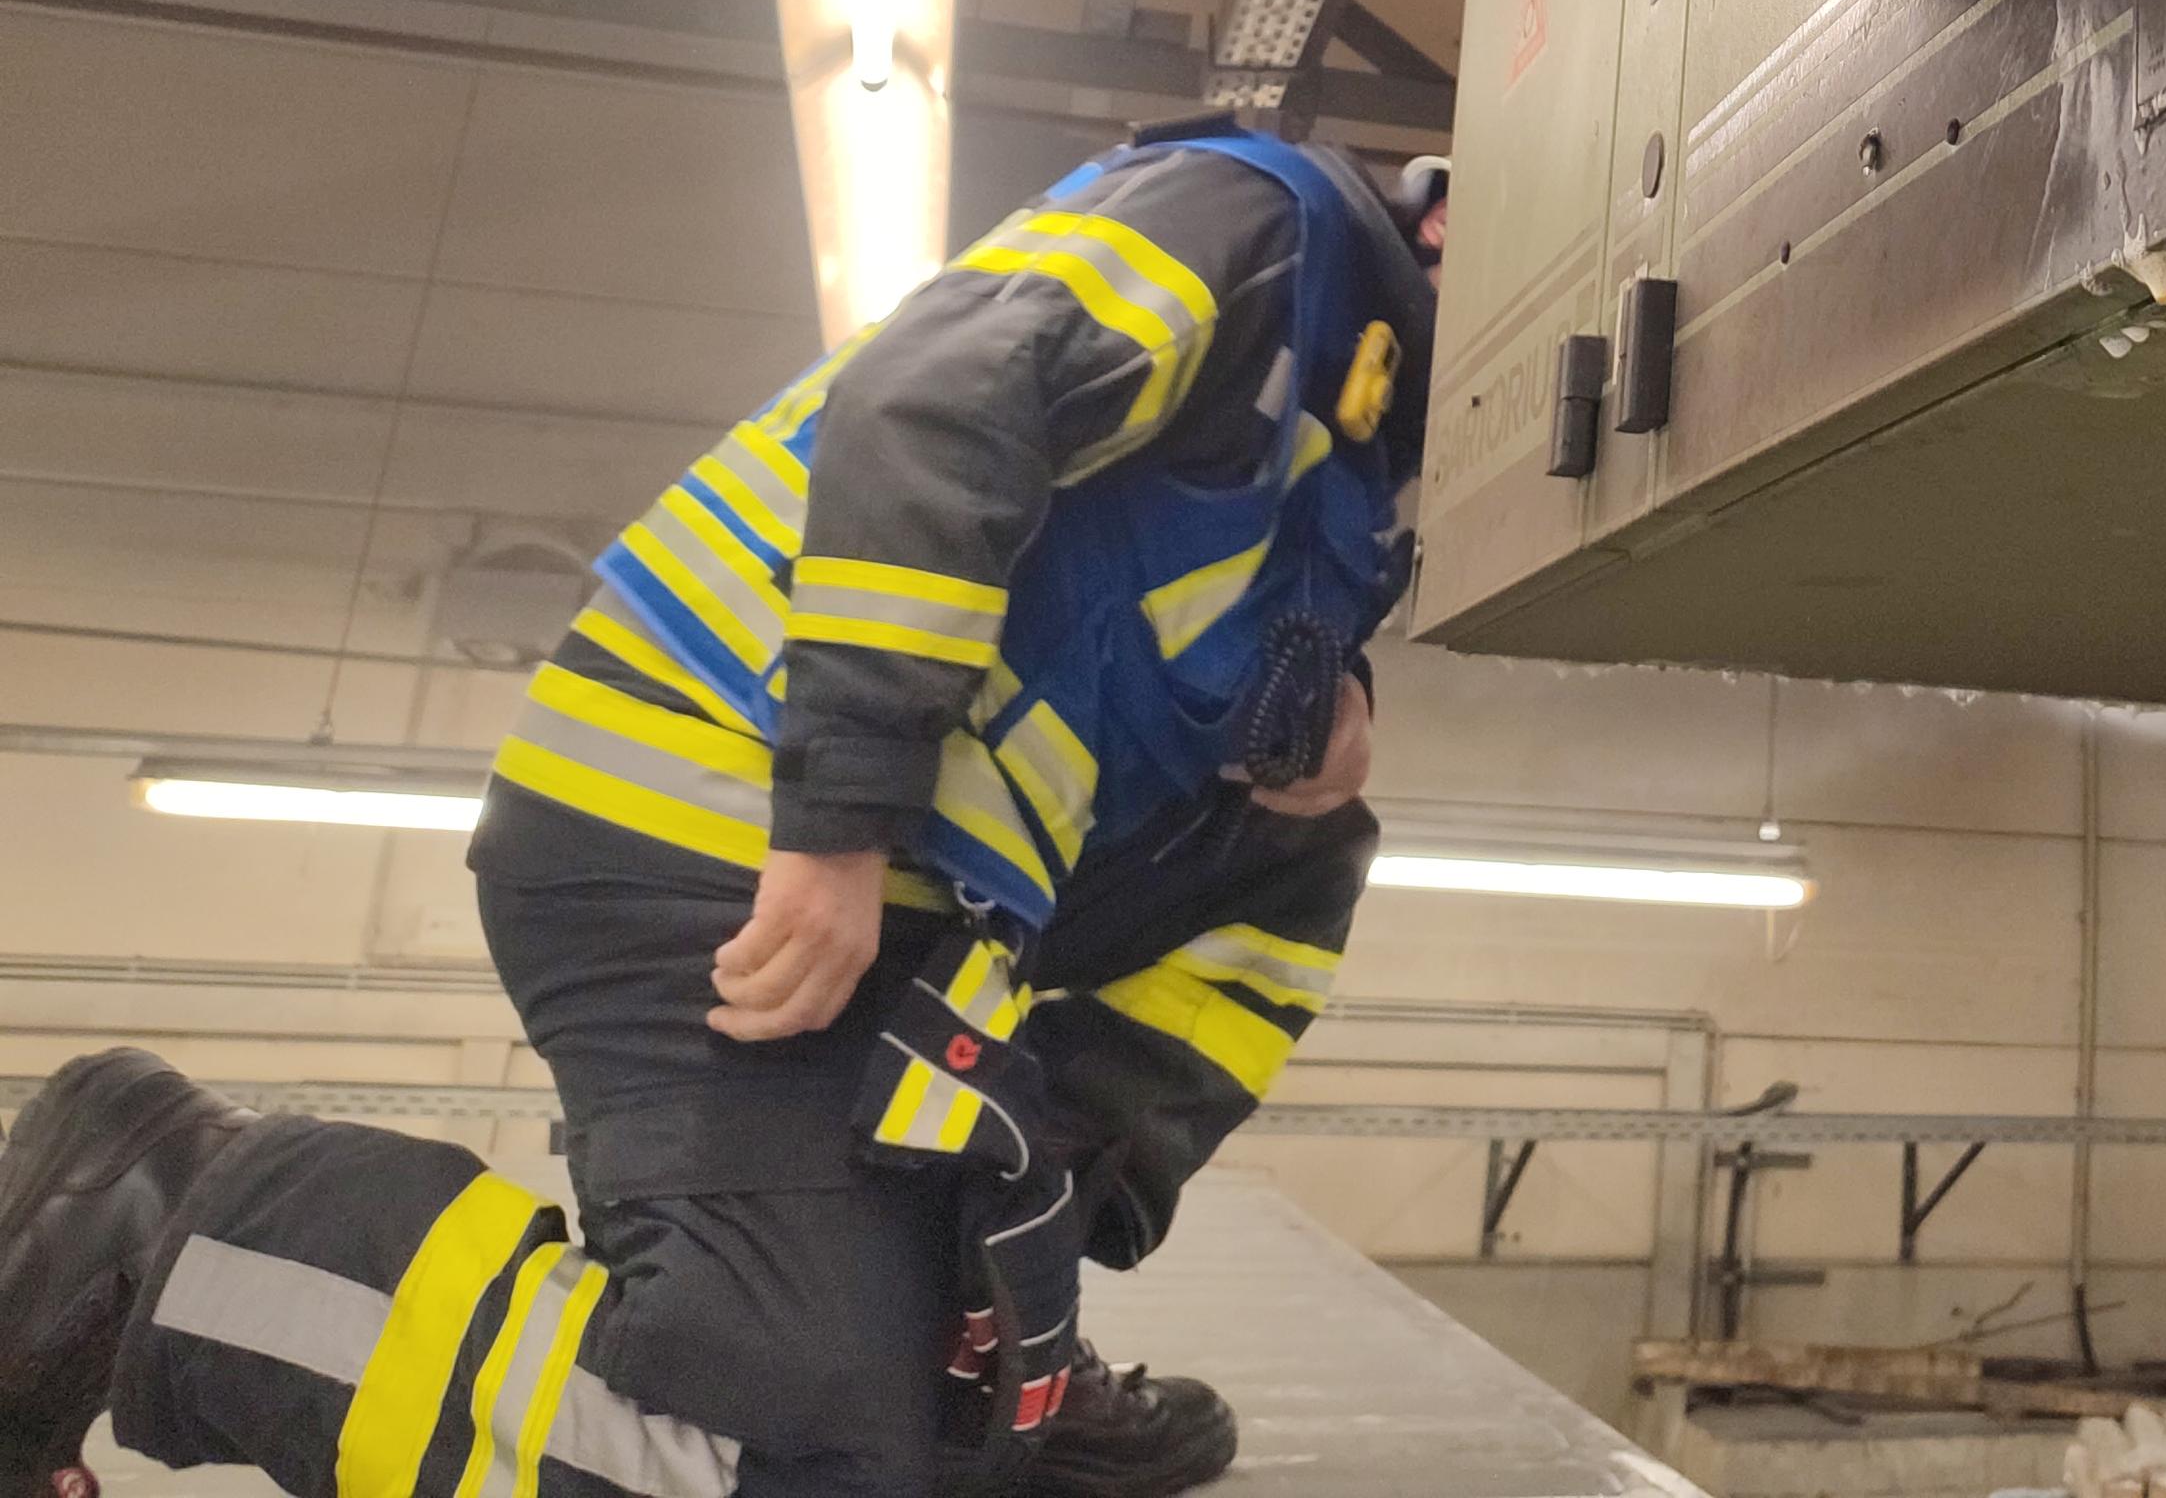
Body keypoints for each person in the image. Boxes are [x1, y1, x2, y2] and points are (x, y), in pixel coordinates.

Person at [0, 119, 1446, 1498]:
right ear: (1452, 226)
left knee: (1304, 841)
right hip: (711, 817)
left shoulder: (1357, 468)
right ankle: (172, 1209)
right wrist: (839, 820)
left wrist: (1315, 723)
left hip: (910, 894)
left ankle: (994, 1331)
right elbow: (938, 399)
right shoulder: (1255, 219)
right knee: (793, 1461)